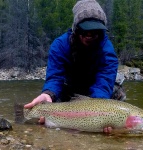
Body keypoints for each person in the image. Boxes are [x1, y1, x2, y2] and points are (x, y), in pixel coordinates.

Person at [24, 0, 125, 133]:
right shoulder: (59, 46)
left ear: (102, 31)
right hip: (69, 90)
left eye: (95, 32)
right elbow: (55, 78)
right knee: (50, 111)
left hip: (95, 92)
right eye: (85, 30)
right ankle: (26, 116)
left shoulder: (108, 52)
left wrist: (99, 114)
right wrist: (48, 94)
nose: (89, 36)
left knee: (118, 96)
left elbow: (104, 81)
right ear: (76, 29)